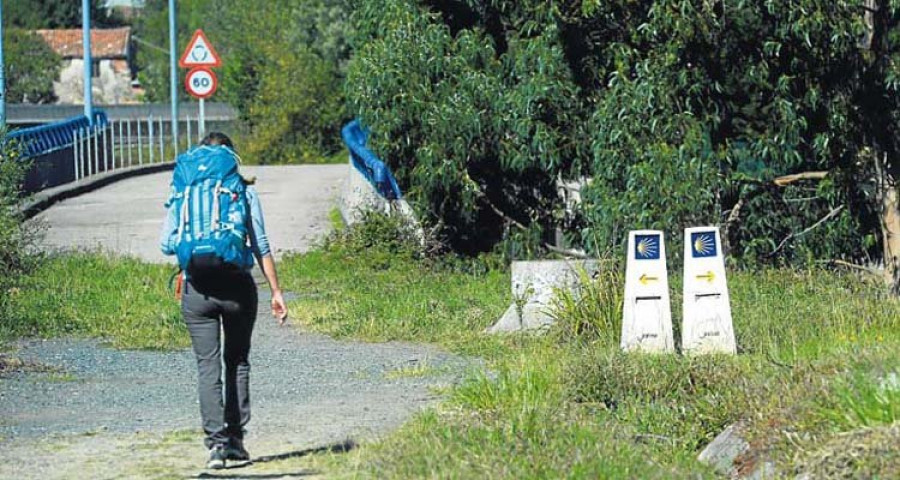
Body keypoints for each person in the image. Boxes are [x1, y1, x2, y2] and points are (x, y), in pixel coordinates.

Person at [159, 132, 288, 469]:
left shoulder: (183, 189)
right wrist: (275, 291)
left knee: (207, 366)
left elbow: (167, 243)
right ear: (232, 157)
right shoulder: (242, 188)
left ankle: (215, 446)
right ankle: (235, 440)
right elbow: (260, 242)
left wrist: (197, 248)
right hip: (237, 289)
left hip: (196, 290)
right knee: (238, 361)